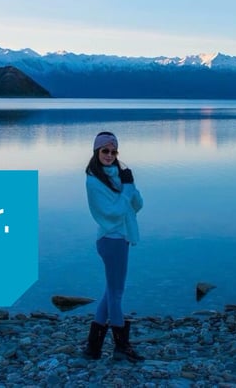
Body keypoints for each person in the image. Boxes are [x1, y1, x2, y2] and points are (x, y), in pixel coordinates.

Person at [81, 131, 144, 362]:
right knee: (116, 293)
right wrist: (126, 191)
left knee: (110, 292)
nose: (109, 155)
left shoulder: (118, 175)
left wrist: (131, 184)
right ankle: (121, 347)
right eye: (104, 150)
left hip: (121, 238)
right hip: (110, 240)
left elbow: (136, 205)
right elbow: (113, 213)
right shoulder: (93, 181)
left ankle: (93, 348)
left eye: (113, 151)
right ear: (96, 152)